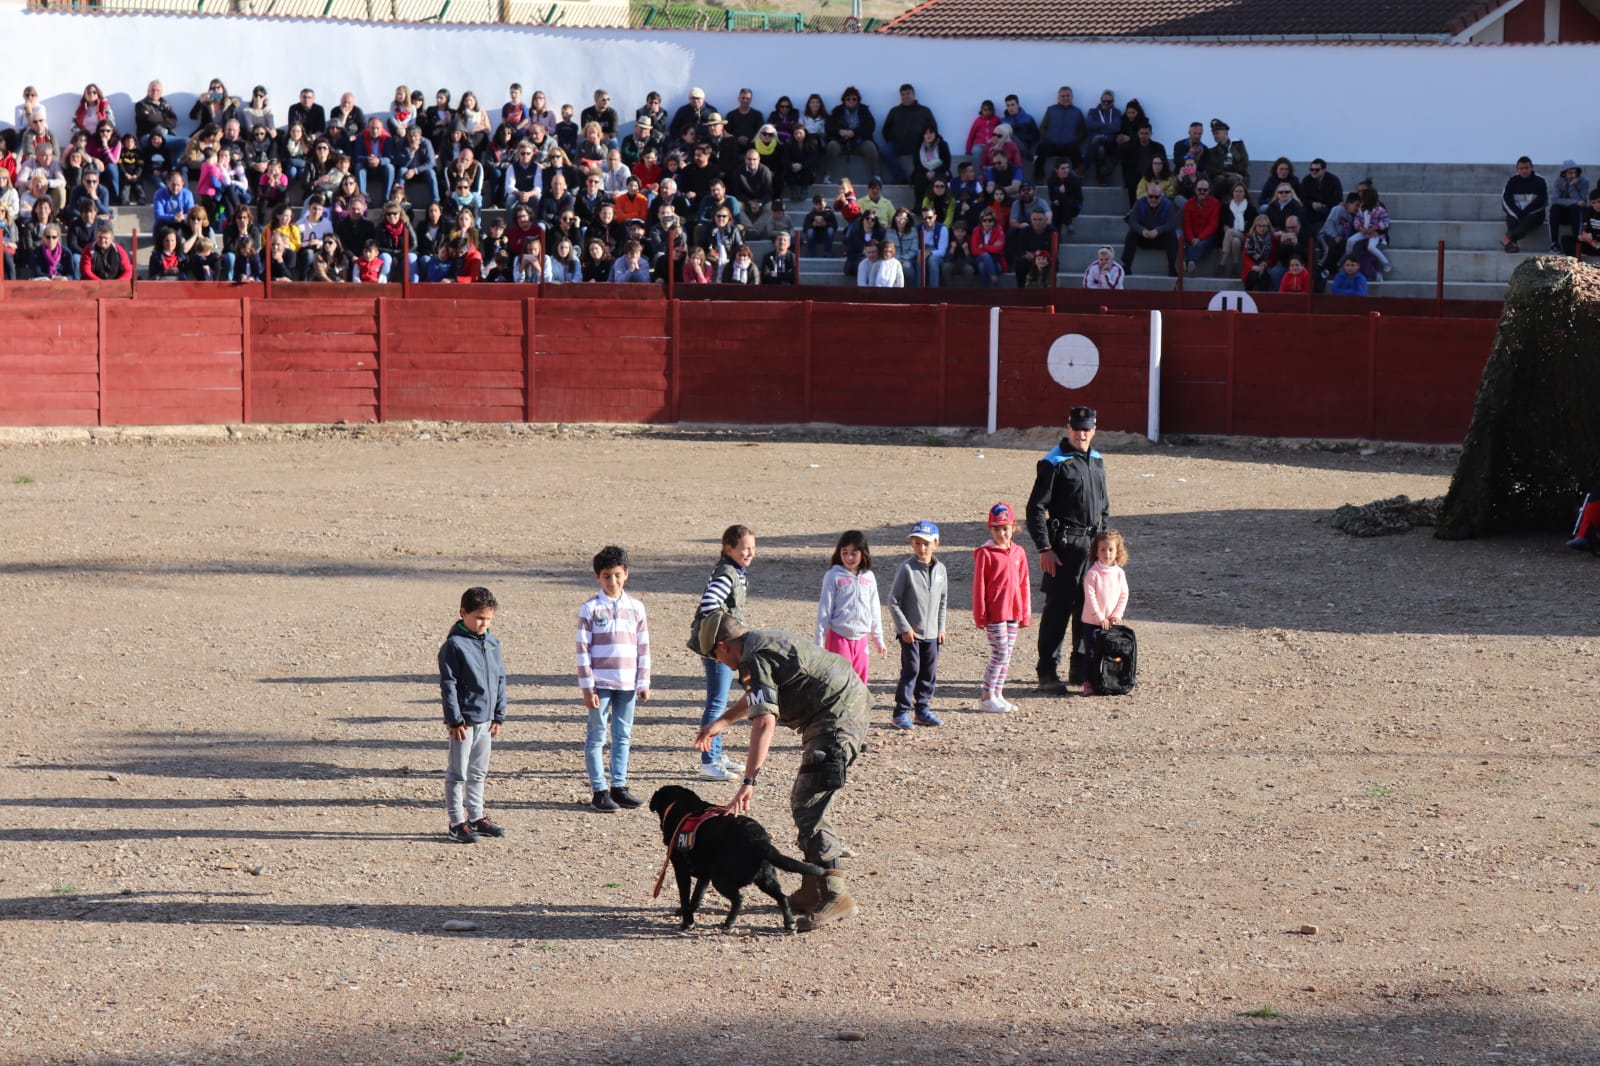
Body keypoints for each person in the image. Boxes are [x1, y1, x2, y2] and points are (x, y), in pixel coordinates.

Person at [691, 609, 868, 933]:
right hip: (838, 710)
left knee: (809, 805)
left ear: (722, 645)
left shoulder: (752, 657)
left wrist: (748, 781)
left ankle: (835, 894)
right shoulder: (758, 645)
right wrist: (722, 722)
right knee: (807, 802)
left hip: (836, 720)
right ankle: (811, 889)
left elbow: (764, 721)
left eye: (714, 656)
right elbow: (760, 696)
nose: (718, 663)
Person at [1025, 405, 1109, 694]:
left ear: (1094, 430)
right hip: (1063, 546)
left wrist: (1106, 546)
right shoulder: (1054, 462)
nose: (1081, 434)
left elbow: (1104, 508)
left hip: (1091, 546)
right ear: (1068, 428)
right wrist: (1044, 548)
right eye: (1077, 428)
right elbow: (1035, 509)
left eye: (1087, 429)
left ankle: (1080, 666)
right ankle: (1047, 671)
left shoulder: (1096, 460)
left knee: (1088, 607)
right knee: (1058, 610)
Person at [575, 545, 650, 814]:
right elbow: (582, 650)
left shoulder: (636, 608)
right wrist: (587, 687)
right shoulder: (590, 609)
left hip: (628, 684)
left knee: (623, 734)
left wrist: (643, 682)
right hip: (600, 684)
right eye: (607, 576)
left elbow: (643, 647)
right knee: (596, 736)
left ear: (626, 574)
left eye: (617, 575)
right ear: (598, 577)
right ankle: (599, 790)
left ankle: (619, 785)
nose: (613, 581)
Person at [438, 586, 507, 844]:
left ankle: (476, 817)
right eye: (479, 618)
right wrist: (454, 719)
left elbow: (500, 679)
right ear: (463, 613)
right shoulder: (454, 646)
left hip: (487, 721)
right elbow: (449, 685)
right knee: (458, 774)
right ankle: (456, 823)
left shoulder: (492, 642)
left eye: (488, 619)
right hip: (465, 722)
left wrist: (499, 715)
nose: (484, 624)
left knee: (478, 771)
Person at [688, 525, 755, 781]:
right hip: (720, 648)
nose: (749, 553)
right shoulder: (727, 574)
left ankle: (717, 753)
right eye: (744, 548)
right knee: (716, 701)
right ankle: (709, 760)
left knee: (721, 699)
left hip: (723, 647)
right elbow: (709, 603)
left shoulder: (735, 571)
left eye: (752, 548)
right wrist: (722, 634)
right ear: (729, 549)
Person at [888, 520, 947, 731]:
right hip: (911, 634)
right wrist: (904, 628)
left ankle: (923, 709)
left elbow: (942, 601)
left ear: (936, 544)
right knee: (911, 670)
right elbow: (893, 600)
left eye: (926, 543)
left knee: (928, 671)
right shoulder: (906, 569)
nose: (921, 548)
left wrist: (941, 627)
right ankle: (901, 712)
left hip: (932, 634)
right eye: (916, 543)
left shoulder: (941, 570)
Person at [972, 502, 1031, 713]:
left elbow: (1024, 584)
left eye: (1005, 528)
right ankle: (987, 695)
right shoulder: (985, 553)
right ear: (991, 529)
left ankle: (998, 693)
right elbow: (979, 586)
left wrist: (1025, 613)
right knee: (1000, 653)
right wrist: (980, 615)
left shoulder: (1019, 552)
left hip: (1013, 612)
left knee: (1008, 653)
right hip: (995, 612)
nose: (1002, 533)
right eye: (996, 529)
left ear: (1013, 527)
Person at [814, 530, 887, 686]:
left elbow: (875, 609)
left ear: (863, 553)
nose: (849, 557)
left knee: (860, 680)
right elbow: (824, 610)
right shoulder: (833, 576)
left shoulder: (869, 577)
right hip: (839, 636)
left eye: (853, 553)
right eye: (844, 552)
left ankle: (859, 710)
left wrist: (878, 640)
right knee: (839, 679)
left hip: (861, 638)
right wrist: (819, 641)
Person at [1078, 530, 1130, 696]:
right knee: (1091, 652)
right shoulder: (1093, 574)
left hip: (1112, 623)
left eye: (1110, 549)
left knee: (1109, 652)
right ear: (1096, 551)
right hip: (1092, 622)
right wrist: (1099, 617)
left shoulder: (1119, 573)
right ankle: (1087, 681)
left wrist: (1117, 614)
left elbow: (1124, 595)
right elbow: (1090, 597)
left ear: (1117, 551)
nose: (1106, 553)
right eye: (1102, 549)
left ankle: (1106, 679)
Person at [1122, 184, 1179, 277]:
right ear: (1146, 195)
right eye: (1150, 196)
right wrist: (1142, 230)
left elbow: (1171, 223)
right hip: (1144, 237)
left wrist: (1157, 231)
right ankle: (1126, 266)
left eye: (1156, 197)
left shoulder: (1169, 205)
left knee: (1172, 236)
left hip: (1161, 238)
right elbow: (1132, 221)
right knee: (1132, 233)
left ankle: (1172, 267)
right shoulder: (1139, 203)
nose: (1153, 199)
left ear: (1162, 196)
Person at [823, 87, 878, 183]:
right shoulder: (837, 111)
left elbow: (870, 126)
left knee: (870, 147)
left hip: (859, 143)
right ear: (844, 100)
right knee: (832, 146)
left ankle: (876, 176)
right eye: (848, 99)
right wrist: (839, 131)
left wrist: (854, 133)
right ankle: (828, 175)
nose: (851, 101)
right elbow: (829, 126)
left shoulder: (864, 111)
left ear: (858, 100)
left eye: (854, 99)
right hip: (841, 143)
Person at [1035, 86, 1086, 181]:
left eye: (1068, 95)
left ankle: (1078, 174)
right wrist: (1048, 138)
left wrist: (1075, 140)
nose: (1065, 98)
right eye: (1062, 96)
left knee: (1076, 149)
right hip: (1052, 145)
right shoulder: (1051, 110)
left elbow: (1083, 131)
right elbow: (1042, 127)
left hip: (1068, 146)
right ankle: (1038, 175)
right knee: (1041, 148)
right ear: (1058, 98)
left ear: (1072, 97)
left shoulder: (1077, 112)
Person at [1500, 156, 1547, 253]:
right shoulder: (1512, 181)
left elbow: (1542, 201)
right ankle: (1512, 244)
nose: (1524, 171)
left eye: (1526, 168)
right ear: (1517, 169)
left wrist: (1525, 212)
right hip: (1517, 213)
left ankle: (1509, 237)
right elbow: (1506, 200)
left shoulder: (1540, 181)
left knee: (1527, 220)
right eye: (1521, 168)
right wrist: (1517, 213)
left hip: (1535, 214)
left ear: (1532, 167)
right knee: (1511, 218)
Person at [1549, 160, 1589, 253]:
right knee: (1554, 209)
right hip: (1563, 213)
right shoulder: (1558, 181)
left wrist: (1572, 187)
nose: (1573, 175)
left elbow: (1582, 202)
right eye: (1570, 173)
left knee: (1576, 208)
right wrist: (1574, 201)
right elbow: (1555, 200)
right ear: (1564, 173)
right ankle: (1554, 243)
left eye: (1575, 172)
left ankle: (1577, 241)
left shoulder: (1584, 181)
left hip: (1578, 213)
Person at [1205, 118, 1249, 202]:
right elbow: (1210, 170)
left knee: (1233, 180)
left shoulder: (1238, 146)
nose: (1215, 136)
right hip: (1220, 182)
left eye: (1217, 133)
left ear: (1225, 132)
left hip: (1238, 178)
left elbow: (1243, 165)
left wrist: (1226, 171)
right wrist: (1228, 172)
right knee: (1219, 180)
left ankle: (1234, 205)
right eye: (1213, 134)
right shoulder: (1212, 152)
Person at [1183, 178, 1221, 270]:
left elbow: (1213, 225)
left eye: (1205, 190)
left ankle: (1189, 260)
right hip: (1191, 235)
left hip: (1207, 236)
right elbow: (1187, 224)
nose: (1202, 192)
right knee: (1187, 243)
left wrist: (1199, 238)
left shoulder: (1215, 204)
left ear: (1209, 191)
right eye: (1200, 189)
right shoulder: (1189, 204)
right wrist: (1192, 238)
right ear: (1195, 190)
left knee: (1202, 244)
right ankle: (1190, 262)